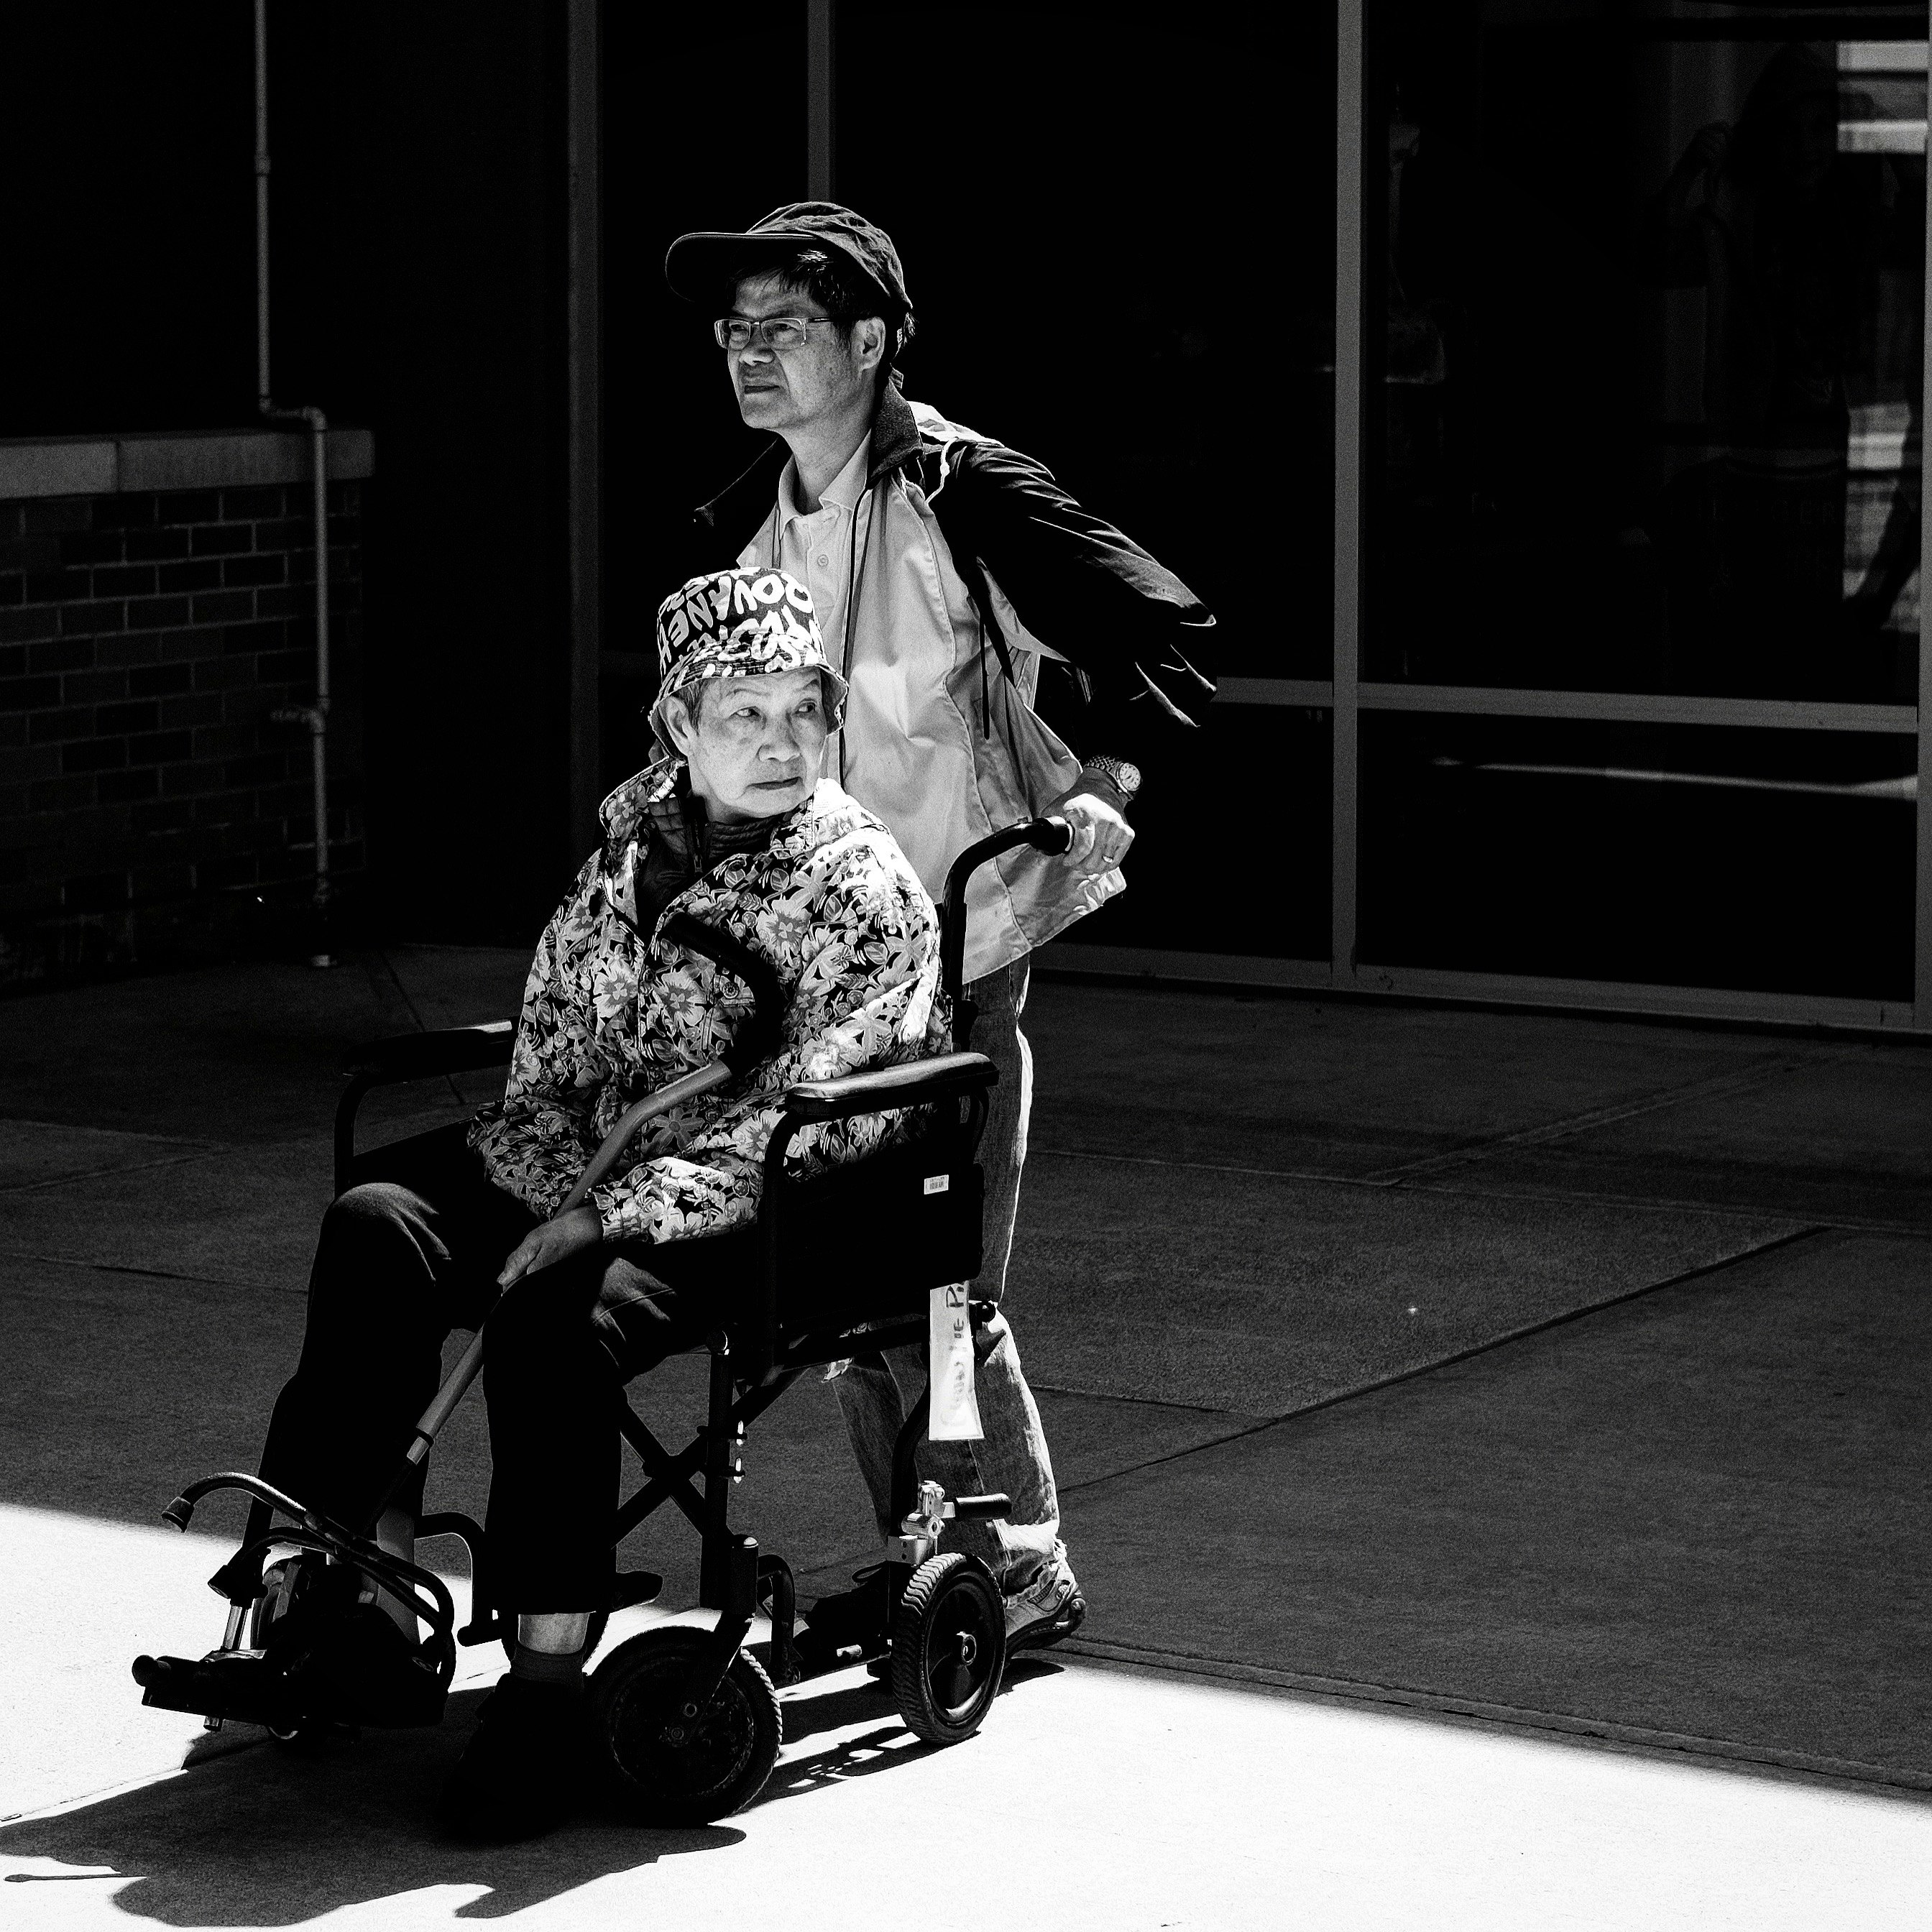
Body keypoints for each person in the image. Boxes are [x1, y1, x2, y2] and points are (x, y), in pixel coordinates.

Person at [256, 565, 949, 1839]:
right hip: (597, 1157)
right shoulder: (628, 856)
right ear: (679, 725)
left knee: (552, 1323)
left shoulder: (857, 885)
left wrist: (611, 1214)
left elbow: (839, 1100)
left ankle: (543, 1690)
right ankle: (339, 1580)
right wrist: (535, 1180)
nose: (785, 742)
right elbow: (561, 1064)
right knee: (379, 1221)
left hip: (764, 1207)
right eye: (746, 714)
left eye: (803, 709)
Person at [663, 203, 1216, 1654]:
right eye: (735, 332)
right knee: (850, 1287)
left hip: (959, 943)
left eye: (783, 326)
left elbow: (1150, 634)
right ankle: (941, 1553)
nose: (750, 354)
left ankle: (1004, 1550)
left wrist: (1100, 785)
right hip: (809, 966)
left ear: (869, 340)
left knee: (931, 1280)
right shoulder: (745, 528)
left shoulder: (962, 489)